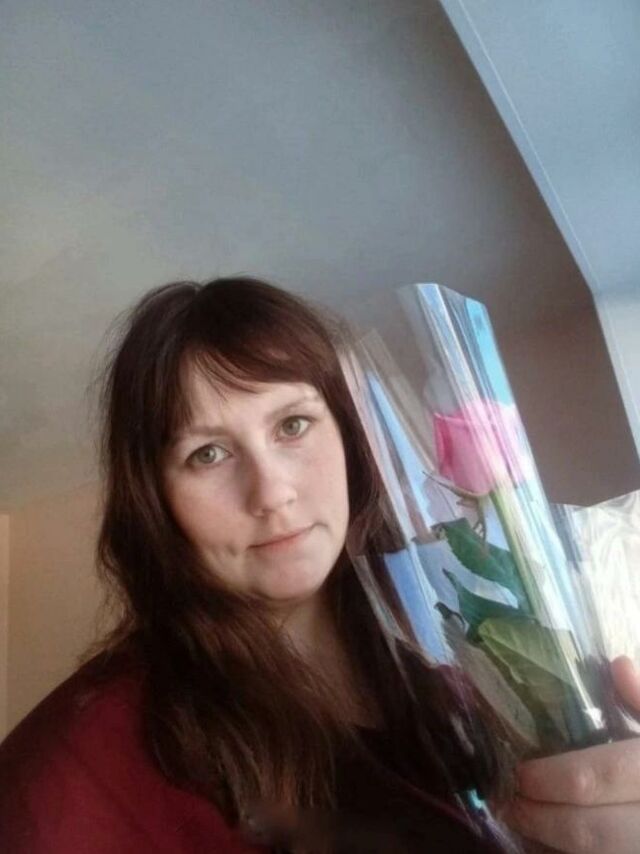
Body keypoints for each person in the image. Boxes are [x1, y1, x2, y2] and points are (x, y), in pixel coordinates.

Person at [0, 277, 639, 854]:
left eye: (293, 425)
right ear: (155, 502)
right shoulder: (84, 762)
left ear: (350, 438)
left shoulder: (452, 660)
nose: (271, 492)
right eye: (208, 454)